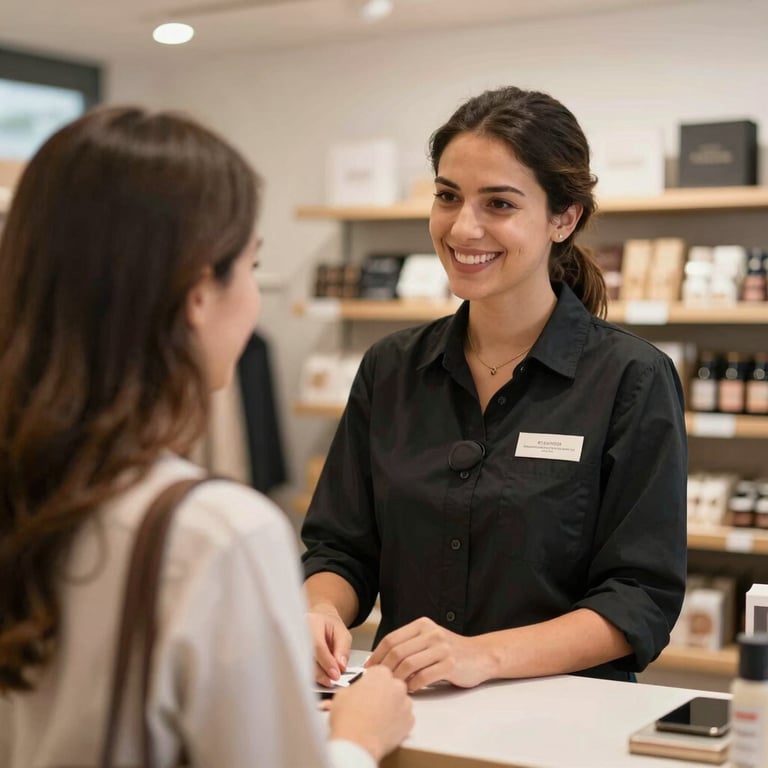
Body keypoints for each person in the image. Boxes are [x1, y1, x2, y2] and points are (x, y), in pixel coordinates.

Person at [0, 106, 412, 768]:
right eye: (250, 265)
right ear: (199, 293)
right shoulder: (216, 533)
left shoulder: (32, 485)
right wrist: (360, 737)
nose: (253, 297)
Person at [302, 85, 687, 689]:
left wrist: (481, 656)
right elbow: (340, 549)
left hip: (563, 724)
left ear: (565, 218)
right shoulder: (390, 368)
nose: (463, 227)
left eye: (499, 204)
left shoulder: (631, 379)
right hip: (407, 712)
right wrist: (322, 609)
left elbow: (640, 597)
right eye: (447, 196)